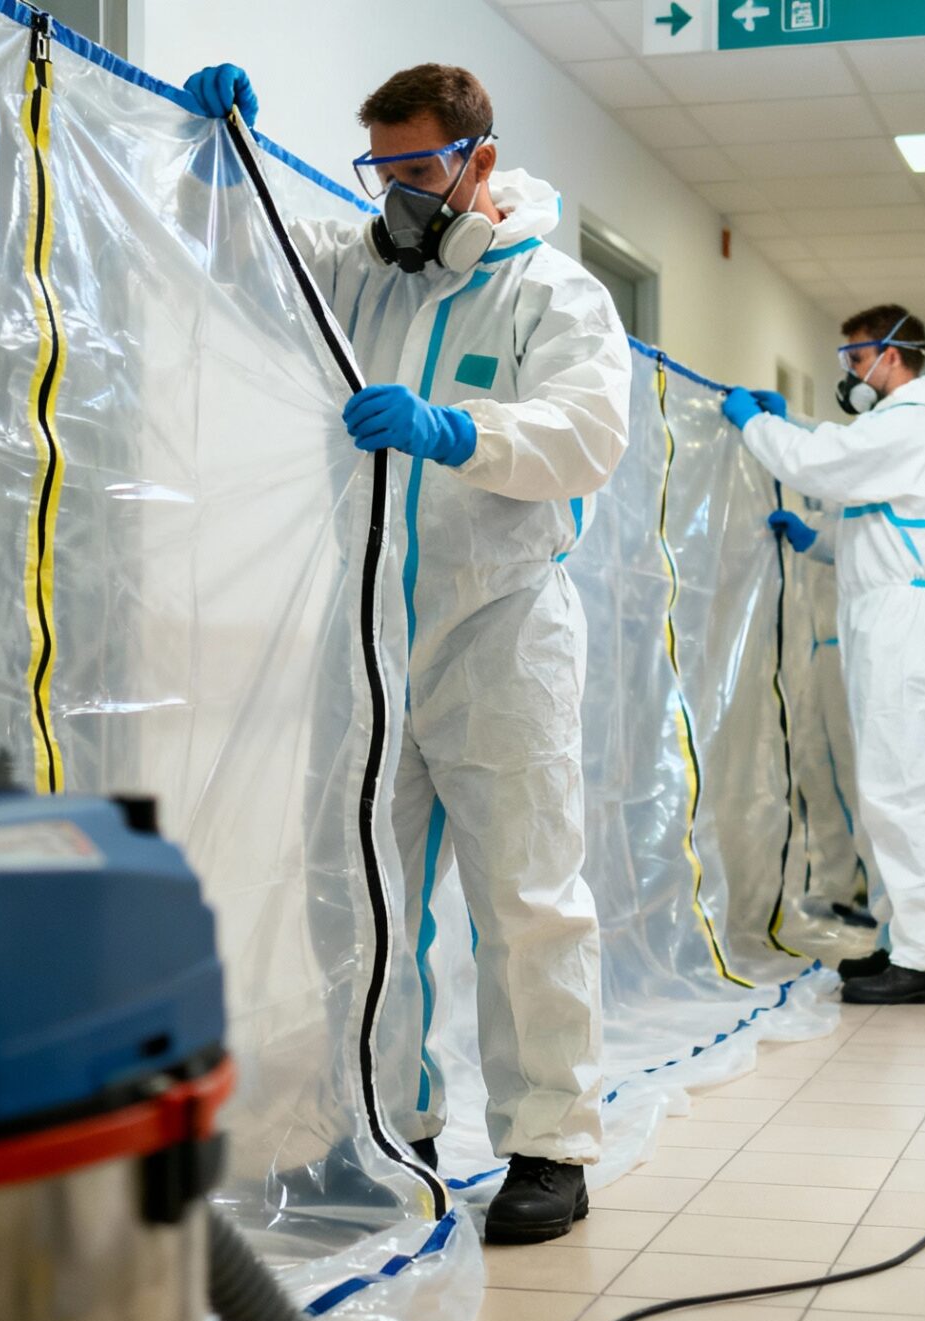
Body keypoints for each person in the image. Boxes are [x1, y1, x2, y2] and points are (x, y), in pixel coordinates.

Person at [181, 62, 630, 1243]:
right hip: (370, 637)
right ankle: (388, 1127)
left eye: (418, 169)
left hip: (502, 635)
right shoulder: (366, 271)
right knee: (362, 898)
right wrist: (213, 150)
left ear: (479, 159)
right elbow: (245, 261)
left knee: (525, 896)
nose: (396, 197)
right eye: (378, 170)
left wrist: (457, 430)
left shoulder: (552, 292)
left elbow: (587, 432)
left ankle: (549, 1143)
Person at [730, 308, 925, 1006]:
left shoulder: (909, 424)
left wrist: (756, 426)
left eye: (854, 356)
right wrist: (814, 540)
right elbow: (871, 525)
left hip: (906, 623)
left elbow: (824, 465)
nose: (848, 372)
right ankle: (908, 943)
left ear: (892, 355)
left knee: (904, 793)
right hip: (906, 614)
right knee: (895, 791)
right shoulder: (909, 431)